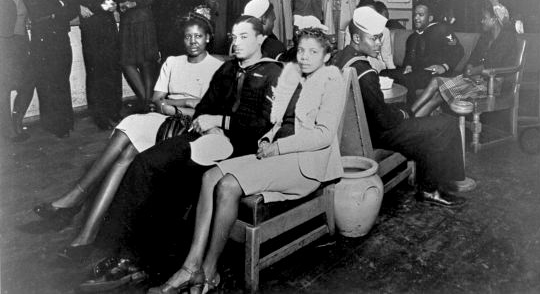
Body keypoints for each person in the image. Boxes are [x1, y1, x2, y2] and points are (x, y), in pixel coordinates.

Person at [78, 16, 282, 291]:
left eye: (244, 36)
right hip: (210, 139)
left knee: (173, 180)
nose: (236, 43)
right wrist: (207, 124)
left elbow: (263, 125)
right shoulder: (228, 71)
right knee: (145, 164)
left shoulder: (272, 73)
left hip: (241, 149)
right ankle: (115, 253)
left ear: (260, 39)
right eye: (233, 36)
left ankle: (142, 263)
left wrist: (220, 124)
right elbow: (204, 109)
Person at [149, 27, 344, 293]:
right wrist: (267, 139)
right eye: (301, 50)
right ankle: (190, 266)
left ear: (327, 55)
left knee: (228, 185)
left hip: (306, 164)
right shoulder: (295, 76)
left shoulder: (331, 80)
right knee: (210, 177)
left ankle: (209, 272)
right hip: (279, 152)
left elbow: (323, 136)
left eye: (313, 52)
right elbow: (279, 122)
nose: (305, 57)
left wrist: (278, 148)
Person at [33, 15, 223, 259]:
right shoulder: (173, 62)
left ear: (208, 38)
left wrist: (176, 104)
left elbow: (206, 111)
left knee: (127, 149)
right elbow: (155, 101)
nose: (193, 41)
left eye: (198, 36)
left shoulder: (217, 68)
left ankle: (78, 206)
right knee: (128, 133)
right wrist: (185, 102)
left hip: (188, 128)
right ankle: (85, 229)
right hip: (162, 120)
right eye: (188, 36)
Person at [333, 7, 466, 208]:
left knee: (422, 120)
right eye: (374, 39)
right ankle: (434, 189)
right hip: (377, 134)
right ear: (357, 39)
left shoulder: (340, 59)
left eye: (380, 38)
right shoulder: (365, 72)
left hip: (355, 133)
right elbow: (385, 121)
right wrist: (404, 113)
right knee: (446, 123)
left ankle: (430, 181)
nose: (379, 43)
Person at [411, 0, 518, 117]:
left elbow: (493, 64)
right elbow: (473, 57)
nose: (481, 21)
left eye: (484, 18)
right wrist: (469, 67)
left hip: (492, 85)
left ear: (494, 20)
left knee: (438, 96)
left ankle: (412, 119)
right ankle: (411, 113)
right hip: (475, 79)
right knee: (435, 81)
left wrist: (472, 71)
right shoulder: (485, 38)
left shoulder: (507, 39)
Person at [18, 0, 77, 138]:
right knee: (46, 82)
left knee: (61, 80)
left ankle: (66, 122)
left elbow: (72, 9)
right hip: (41, 40)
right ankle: (53, 124)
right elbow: (37, 13)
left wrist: (56, 10)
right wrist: (58, 8)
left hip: (60, 37)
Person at [67, 0, 122, 130]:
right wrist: (77, 6)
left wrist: (110, 5)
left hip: (109, 30)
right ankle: (100, 116)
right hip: (91, 32)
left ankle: (115, 111)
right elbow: (66, 0)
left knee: (113, 70)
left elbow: (114, 1)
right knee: (96, 74)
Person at [384, 4, 464, 104]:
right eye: (415, 15)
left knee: (407, 80)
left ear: (430, 18)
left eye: (420, 15)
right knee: (384, 73)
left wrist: (444, 66)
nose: (416, 18)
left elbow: (458, 50)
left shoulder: (443, 30)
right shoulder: (412, 37)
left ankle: (409, 113)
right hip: (416, 72)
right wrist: (408, 65)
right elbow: (408, 58)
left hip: (433, 73)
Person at [112, 0, 159, 111]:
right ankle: (146, 100)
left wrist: (134, 3)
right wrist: (118, 5)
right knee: (127, 63)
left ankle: (147, 103)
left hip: (145, 23)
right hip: (127, 25)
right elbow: (111, 0)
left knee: (146, 63)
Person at [0, 0, 35, 141]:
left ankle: (16, 119)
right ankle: (8, 130)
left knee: (28, 83)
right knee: (4, 88)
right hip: (4, 44)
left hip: (21, 43)